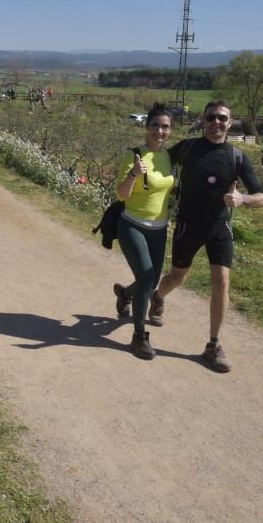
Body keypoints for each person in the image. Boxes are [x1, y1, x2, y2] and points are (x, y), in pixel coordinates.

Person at [122, 101, 263, 373]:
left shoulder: (237, 157)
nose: (216, 122)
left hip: (220, 227)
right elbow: (156, 158)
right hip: (188, 225)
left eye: (221, 118)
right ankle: (156, 297)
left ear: (230, 122)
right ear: (203, 120)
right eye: (211, 117)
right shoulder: (187, 148)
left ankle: (213, 345)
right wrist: (135, 180)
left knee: (222, 282)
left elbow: (261, 198)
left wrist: (243, 199)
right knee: (177, 277)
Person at [111, 104, 175, 360]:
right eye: (155, 125)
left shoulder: (169, 157)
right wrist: (133, 174)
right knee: (147, 279)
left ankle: (125, 294)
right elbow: (121, 194)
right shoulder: (135, 155)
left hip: (159, 229)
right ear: (147, 127)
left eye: (165, 127)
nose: (160, 131)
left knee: (150, 282)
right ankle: (139, 335)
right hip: (132, 225)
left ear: (171, 130)